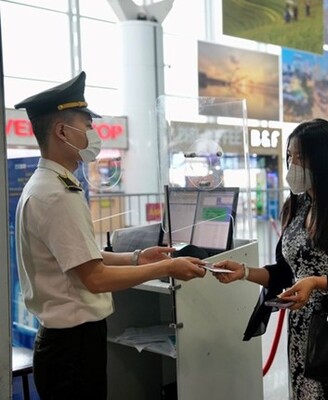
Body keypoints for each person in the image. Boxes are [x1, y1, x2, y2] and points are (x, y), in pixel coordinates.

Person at [14, 72, 207, 399]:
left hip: (68, 343)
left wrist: (136, 257)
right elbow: (95, 278)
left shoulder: (51, 186)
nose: (93, 134)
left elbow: (82, 256)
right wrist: (167, 268)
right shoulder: (56, 195)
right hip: (71, 347)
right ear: (62, 131)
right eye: (87, 127)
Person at [212, 118, 328, 400]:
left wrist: (316, 283)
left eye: (301, 157)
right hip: (302, 330)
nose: (293, 165)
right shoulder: (296, 206)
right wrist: (243, 272)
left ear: (324, 159)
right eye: (290, 157)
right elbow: (285, 272)